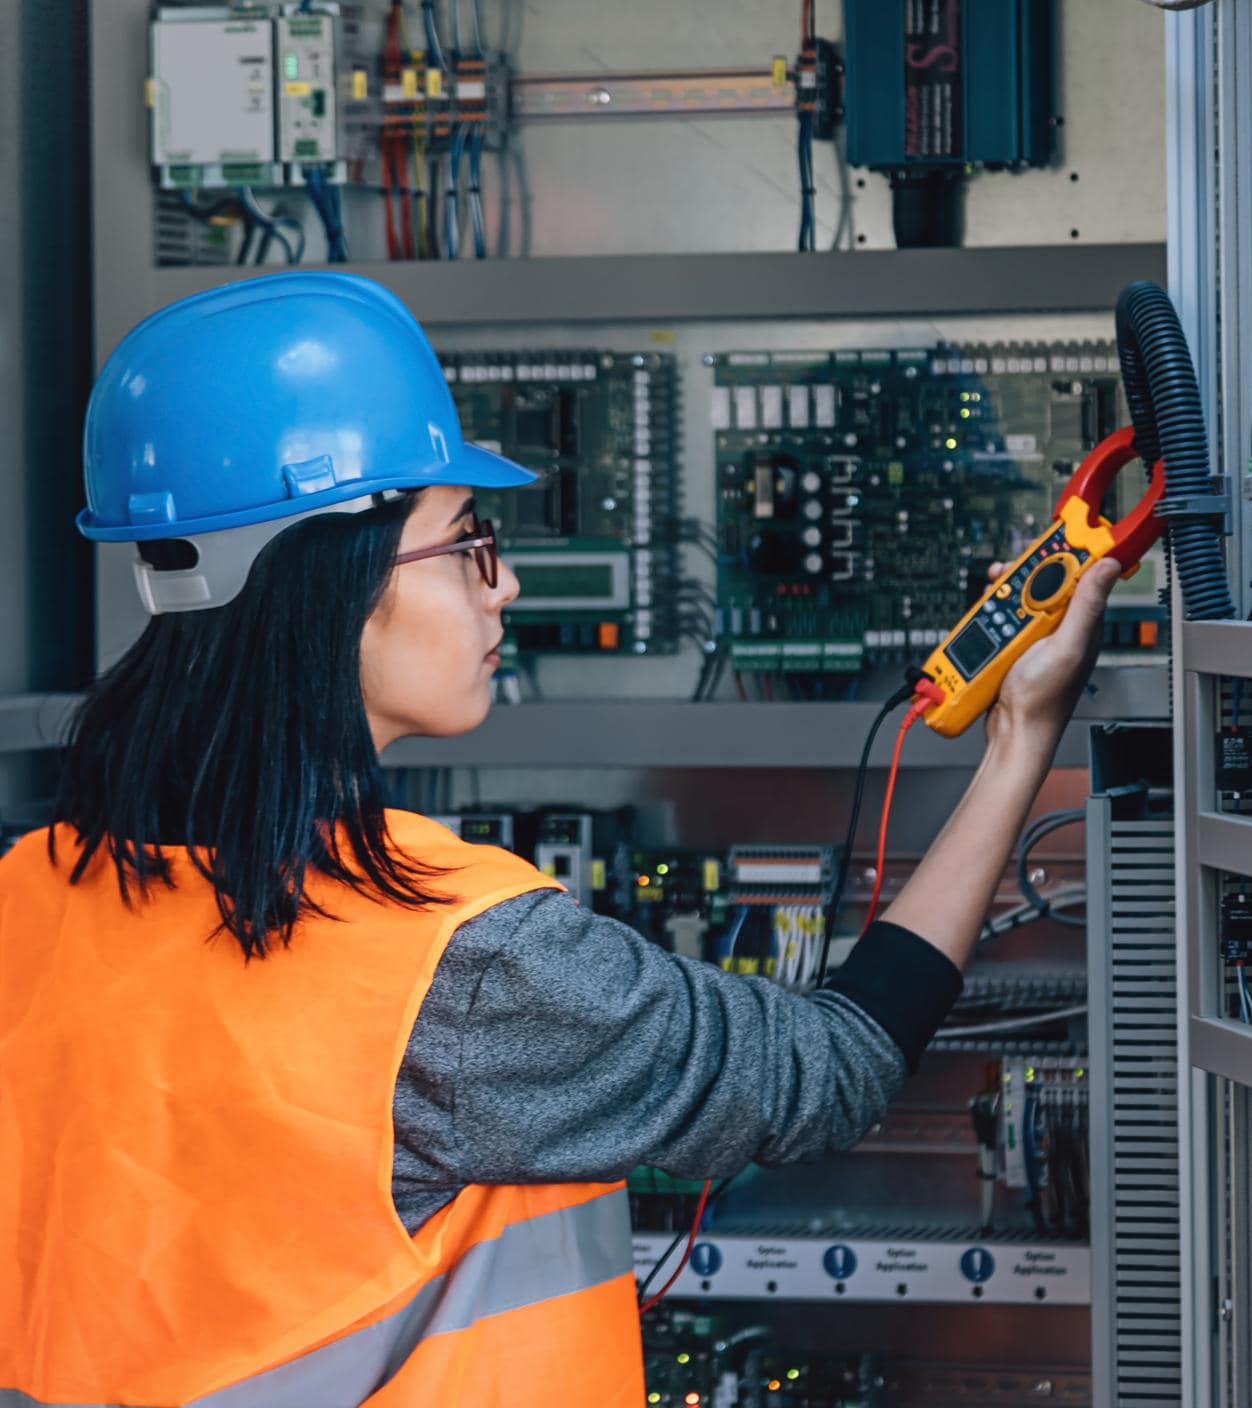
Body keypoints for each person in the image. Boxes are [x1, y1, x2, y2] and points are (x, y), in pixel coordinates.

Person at [0, 273, 1120, 1406]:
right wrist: (1019, 743)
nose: (508, 584)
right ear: (331, 579)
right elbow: (828, 1068)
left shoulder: (23, 894)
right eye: (467, 540)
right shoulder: (457, 962)